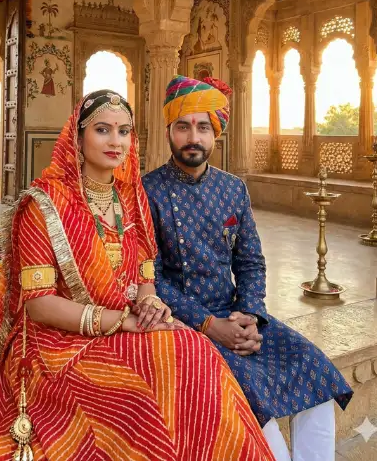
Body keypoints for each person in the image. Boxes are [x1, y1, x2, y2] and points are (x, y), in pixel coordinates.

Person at [0, 90, 274, 461]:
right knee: (142, 390)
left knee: (198, 351)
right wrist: (123, 321)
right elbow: (39, 305)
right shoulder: (44, 203)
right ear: (78, 136)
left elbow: (146, 275)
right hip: (60, 342)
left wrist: (150, 304)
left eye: (124, 131)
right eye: (102, 130)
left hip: (126, 325)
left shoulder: (131, 198)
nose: (115, 141)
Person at [143, 75, 354, 461]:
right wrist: (210, 326)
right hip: (183, 326)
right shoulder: (148, 191)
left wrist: (251, 314)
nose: (194, 136)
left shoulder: (232, 188)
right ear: (170, 131)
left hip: (238, 316)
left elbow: (251, 261)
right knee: (254, 409)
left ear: (216, 133)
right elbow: (151, 278)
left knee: (317, 376)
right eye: (183, 126)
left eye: (203, 127)